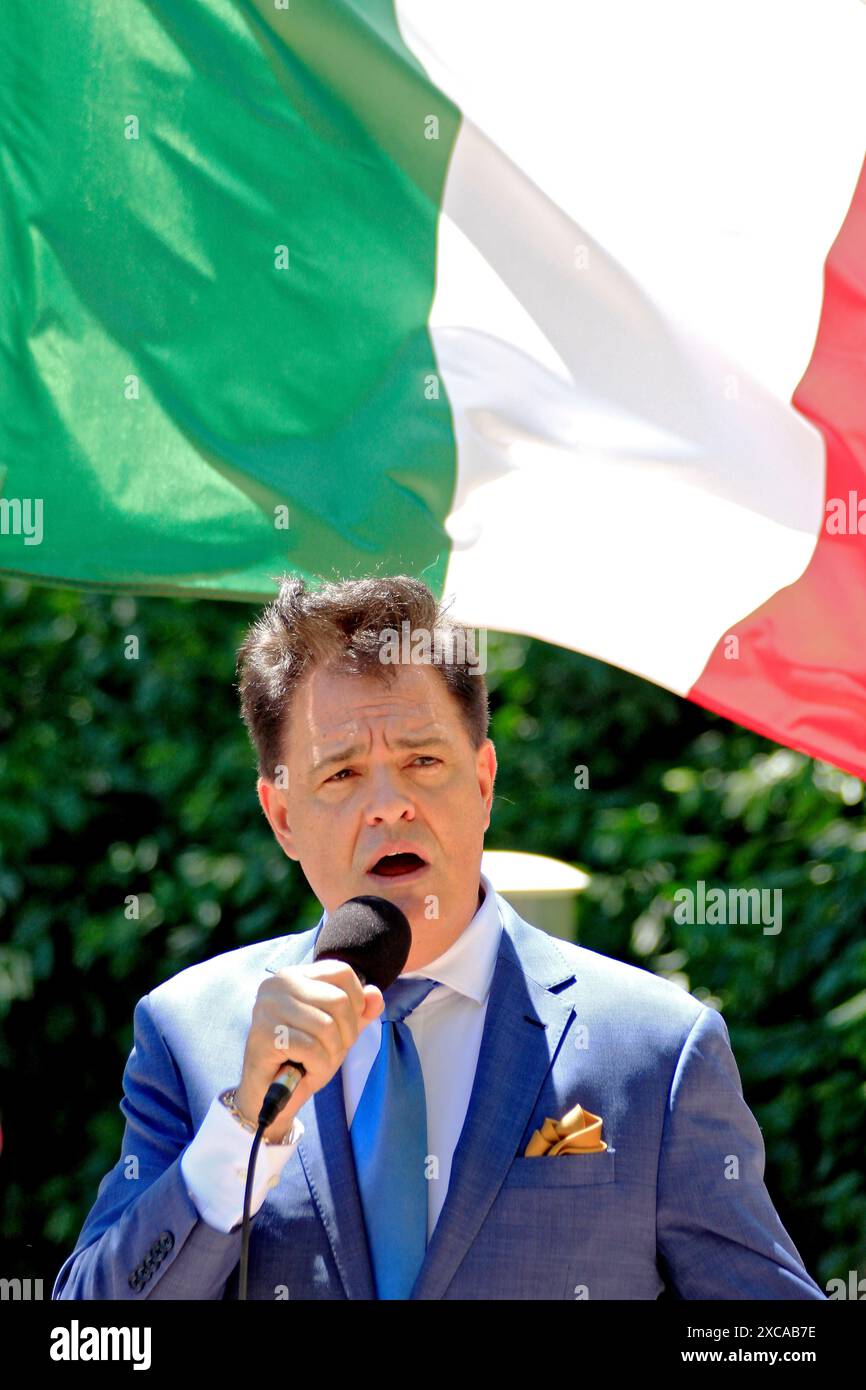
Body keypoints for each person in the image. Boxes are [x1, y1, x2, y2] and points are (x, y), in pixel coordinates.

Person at [52, 574, 825, 1299]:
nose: (390, 805)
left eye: (423, 761)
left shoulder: (657, 1048)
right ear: (282, 814)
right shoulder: (188, 1034)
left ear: (483, 783)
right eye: (343, 775)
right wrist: (244, 1127)